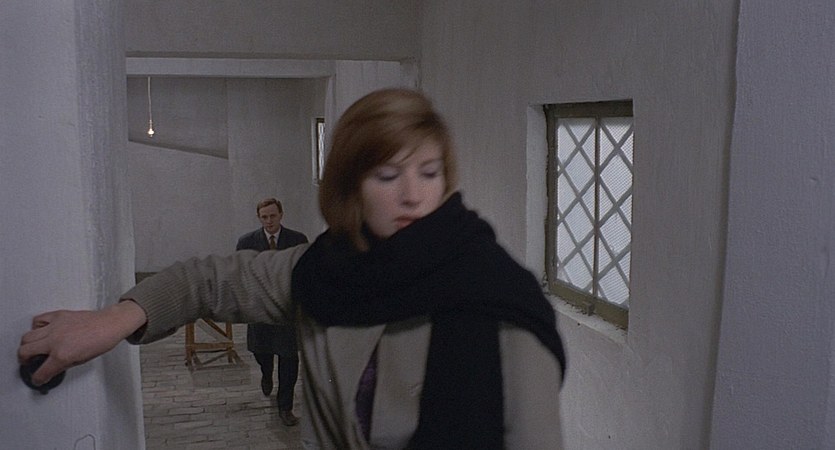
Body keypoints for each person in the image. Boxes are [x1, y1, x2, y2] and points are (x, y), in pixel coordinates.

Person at [19, 88, 566, 449]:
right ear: (350, 185)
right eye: (387, 175)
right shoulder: (325, 270)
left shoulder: (497, 300)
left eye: (429, 172)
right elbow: (207, 280)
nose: (412, 195)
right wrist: (111, 320)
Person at [236, 197, 307, 426]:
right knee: (262, 352)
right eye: (264, 217)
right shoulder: (247, 242)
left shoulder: (297, 240)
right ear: (259, 218)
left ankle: (285, 407)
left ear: (281, 215)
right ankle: (266, 374)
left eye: (273, 216)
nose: (269, 221)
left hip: (287, 311)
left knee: (289, 358)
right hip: (260, 310)